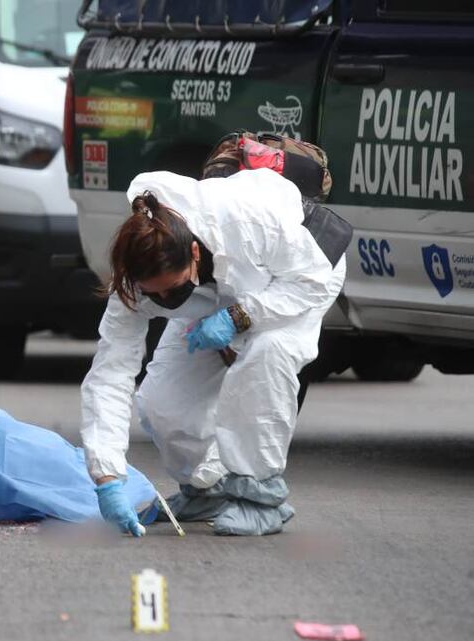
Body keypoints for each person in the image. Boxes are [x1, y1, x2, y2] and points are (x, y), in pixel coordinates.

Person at [81, 168, 347, 537]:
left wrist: (240, 317)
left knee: (265, 356)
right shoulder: (135, 287)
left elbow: (312, 279)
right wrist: (107, 476)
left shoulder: (246, 221)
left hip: (297, 275)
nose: (161, 302)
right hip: (215, 295)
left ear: (193, 252)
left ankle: (260, 496)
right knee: (161, 400)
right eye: (152, 294)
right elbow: (110, 373)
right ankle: (207, 489)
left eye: (171, 291)